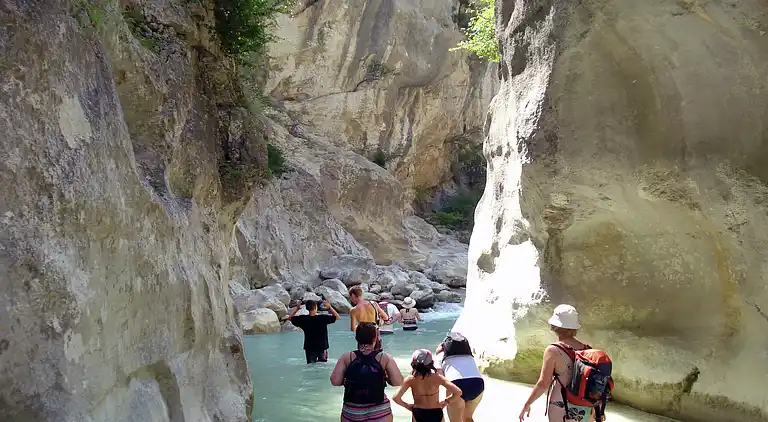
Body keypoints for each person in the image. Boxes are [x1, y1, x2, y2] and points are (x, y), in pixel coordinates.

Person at [518, 304, 599, 422]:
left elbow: (543, 383)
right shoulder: (588, 350)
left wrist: (527, 404)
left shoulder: (553, 350)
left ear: (555, 326)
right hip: (587, 408)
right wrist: (599, 410)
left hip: (562, 407)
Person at [330, 322, 404, 422]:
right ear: (375, 338)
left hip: (352, 412)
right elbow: (398, 382)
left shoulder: (347, 357)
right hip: (379, 411)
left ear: (356, 338)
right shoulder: (384, 358)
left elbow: (335, 381)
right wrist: (385, 378)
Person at [392, 349, 463, 422]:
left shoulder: (410, 379)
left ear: (413, 363)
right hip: (436, 411)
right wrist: (445, 402)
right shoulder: (438, 378)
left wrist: (408, 406)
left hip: (418, 412)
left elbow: (396, 398)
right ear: (431, 363)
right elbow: (458, 392)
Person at [435, 332, 484, 422]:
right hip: (478, 384)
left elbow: (439, 376)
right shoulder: (469, 355)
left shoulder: (440, 356)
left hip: (456, 384)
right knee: (467, 417)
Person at [288, 299, 340, 364]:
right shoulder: (323, 318)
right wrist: (330, 307)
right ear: (316, 307)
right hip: (322, 347)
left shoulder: (303, 319)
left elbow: (290, 318)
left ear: (307, 308)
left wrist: (297, 308)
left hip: (309, 348)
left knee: (311, 365)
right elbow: (337, 317)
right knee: (323, 365)